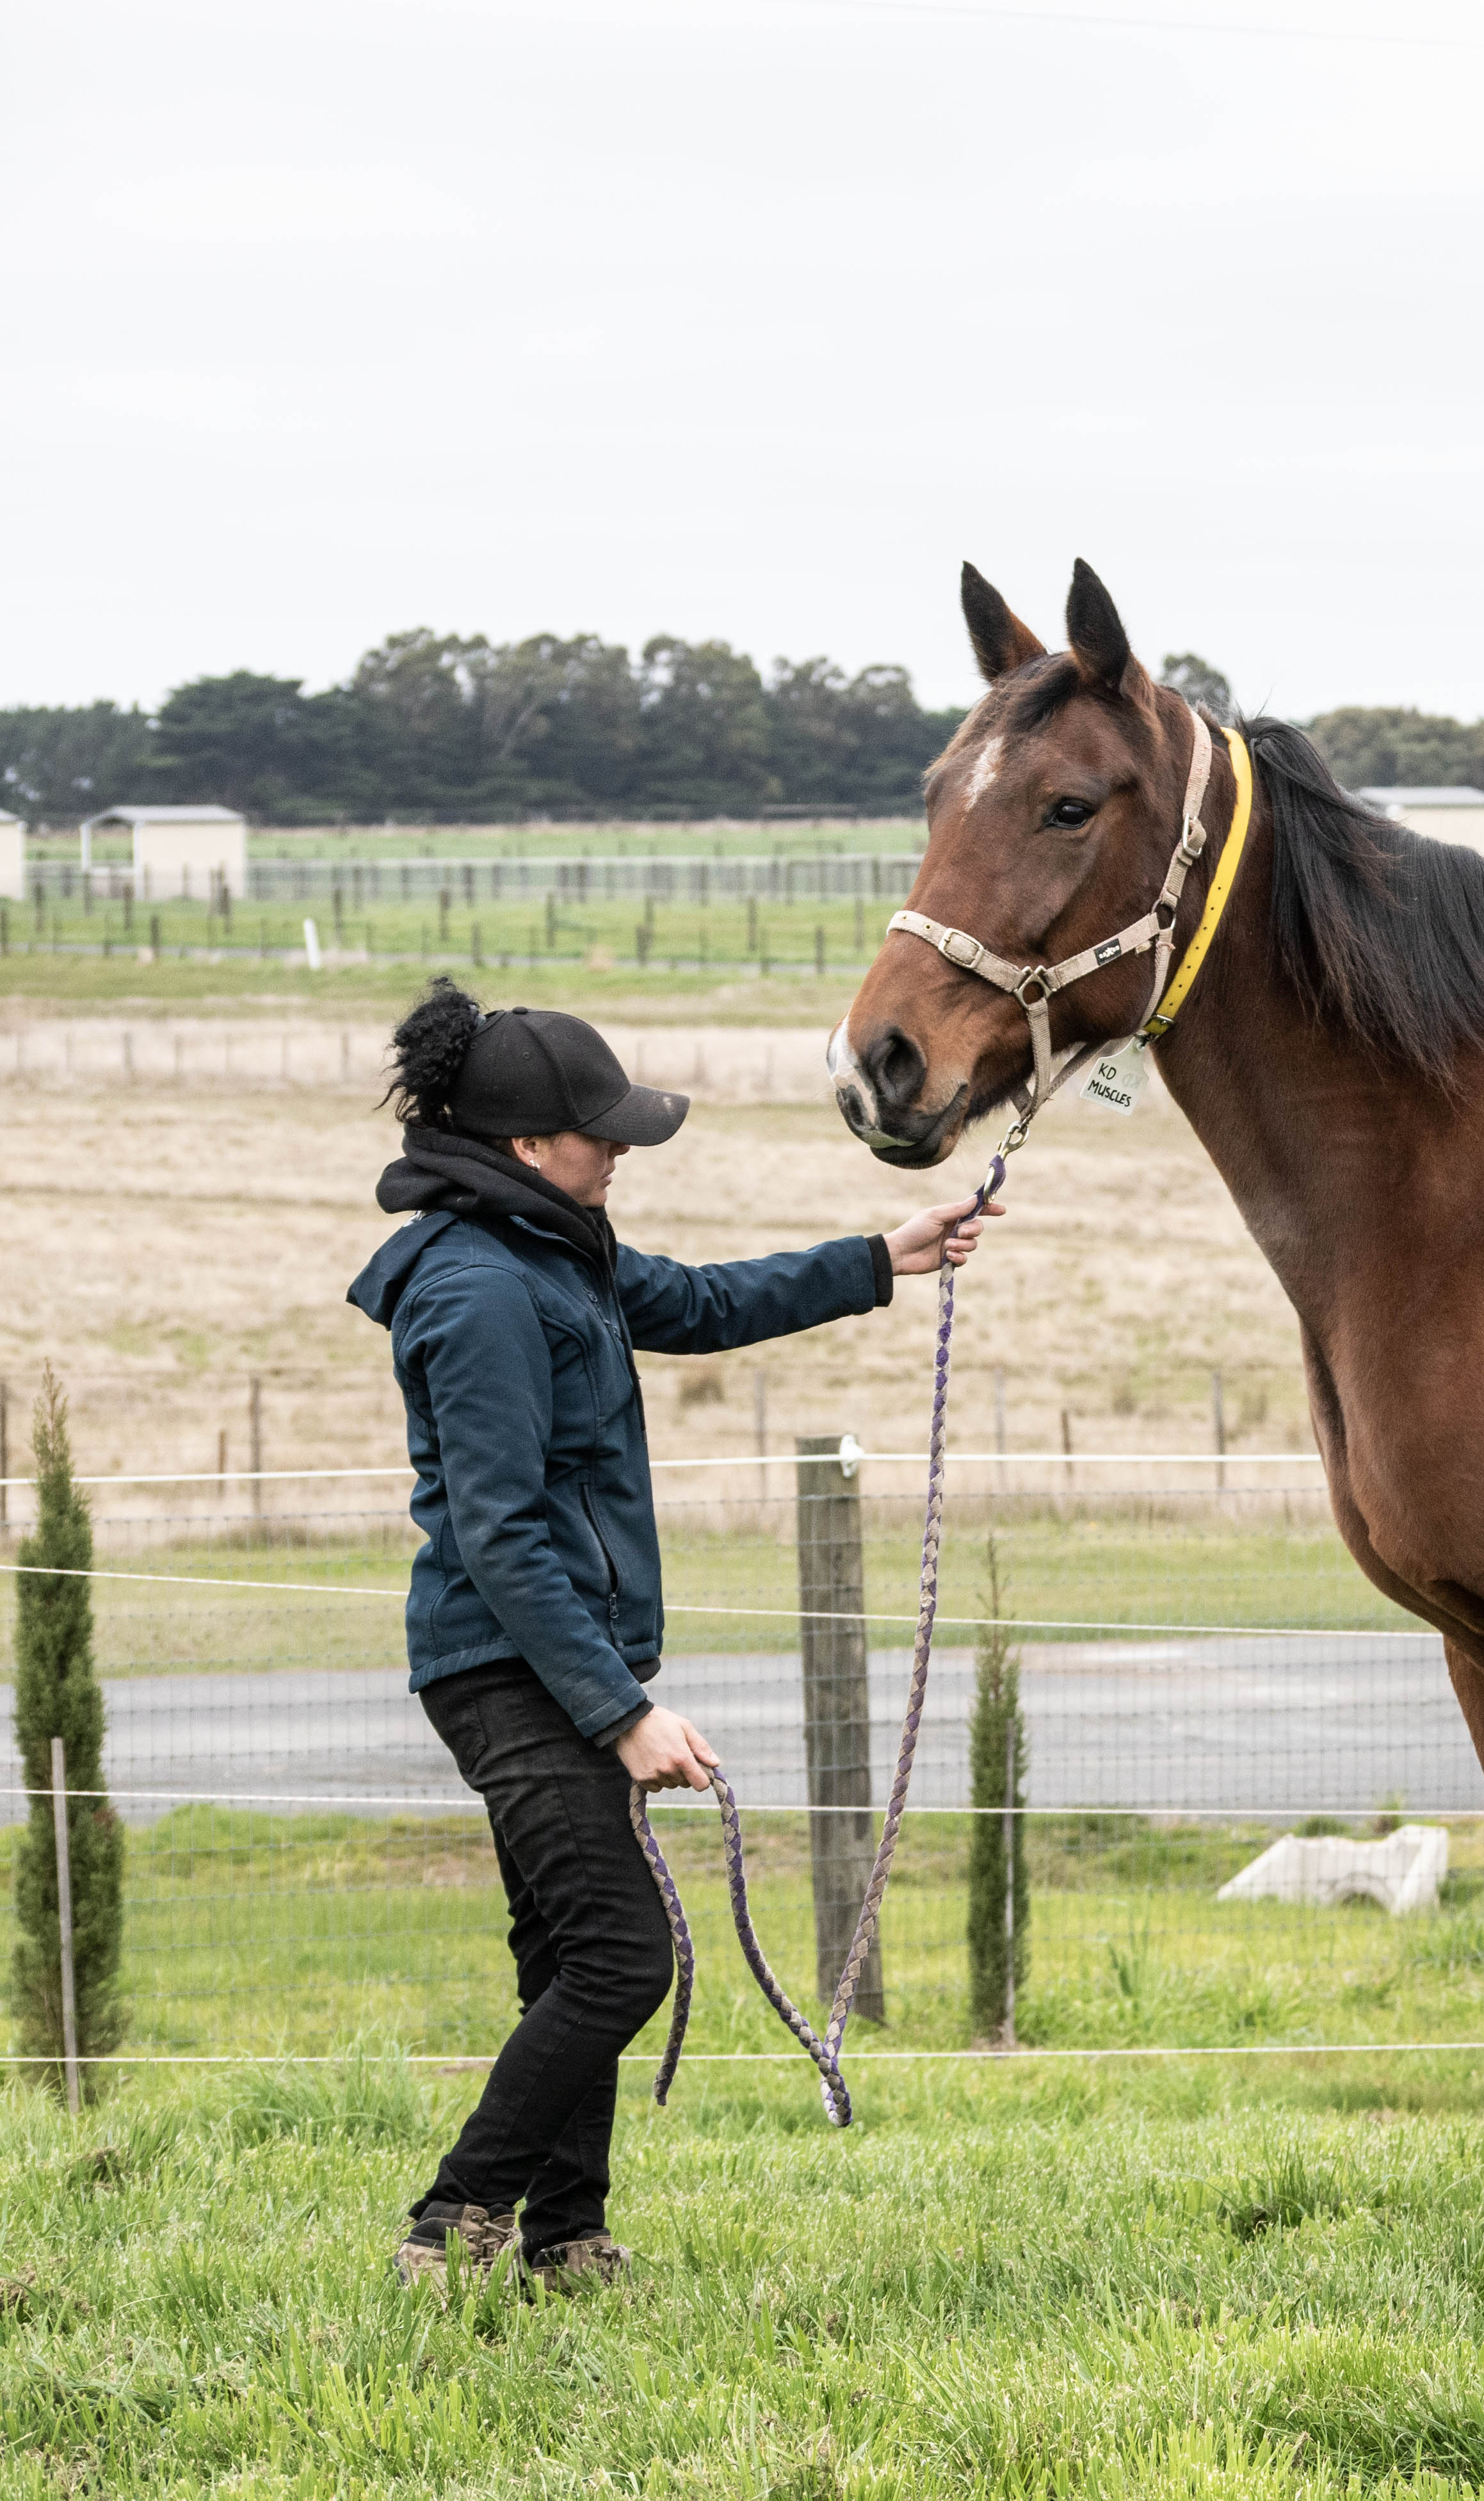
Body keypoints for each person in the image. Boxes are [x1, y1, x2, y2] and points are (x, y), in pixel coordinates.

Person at [347, 979, 999, 2292]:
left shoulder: (554, 1249)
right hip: (510, 1669)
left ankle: (566, 2239)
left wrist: (882, 1257)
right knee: (620, 1957)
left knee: (566, 1957)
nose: (622, 1149)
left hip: (549, 1660)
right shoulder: (477, 1290)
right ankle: (450, 2224)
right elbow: (500, 1535)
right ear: (528, 1144)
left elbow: (698, 1303)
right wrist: (623, 1710)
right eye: (601, 1132)